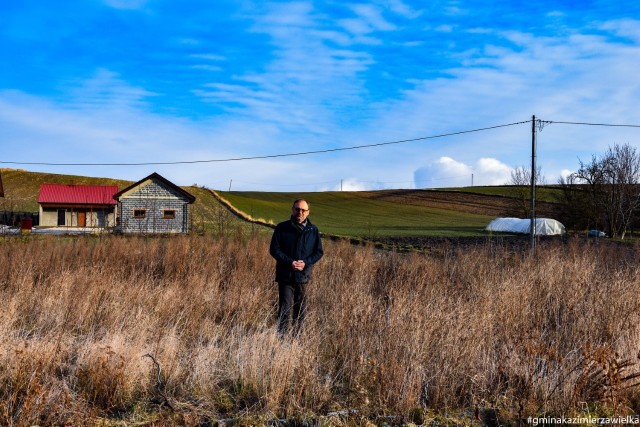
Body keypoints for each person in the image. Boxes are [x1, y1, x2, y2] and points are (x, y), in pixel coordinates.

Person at [269, 198, 323, 336]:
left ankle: (297, 339)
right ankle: (282, 339)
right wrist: (290, 262)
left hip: (303, 276)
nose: (300, 212)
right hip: (285, 275)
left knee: (300, 310)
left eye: (303, 210)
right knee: (284, 309)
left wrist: (305, 262)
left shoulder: (313, 230)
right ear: (292, 210)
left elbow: (318, 252)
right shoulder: (282, 228)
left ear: (308, 212)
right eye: (297, 209)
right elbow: (274, 249)